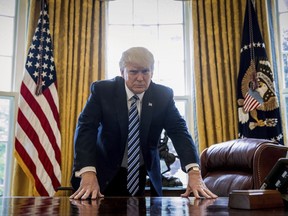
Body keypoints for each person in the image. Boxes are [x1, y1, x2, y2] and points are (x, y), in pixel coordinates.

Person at [70, 47, 218, 199]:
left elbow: (179, 132)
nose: (140, 78)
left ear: (152, 72)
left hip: (139, 175)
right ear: (122, 73)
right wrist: (87, 172)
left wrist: (193, 171)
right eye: (133, 72)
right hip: (101, 173)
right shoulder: (103, 91)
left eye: (145, 72)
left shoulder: (163, 96)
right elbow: (86, 128)